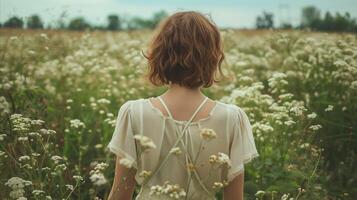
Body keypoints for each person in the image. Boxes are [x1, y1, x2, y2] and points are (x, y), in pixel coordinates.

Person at [107, 11, 259, 200]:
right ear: (212, 56)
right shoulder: (232, 118)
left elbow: (120, 194)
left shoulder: (134, 113)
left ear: (160, 53)